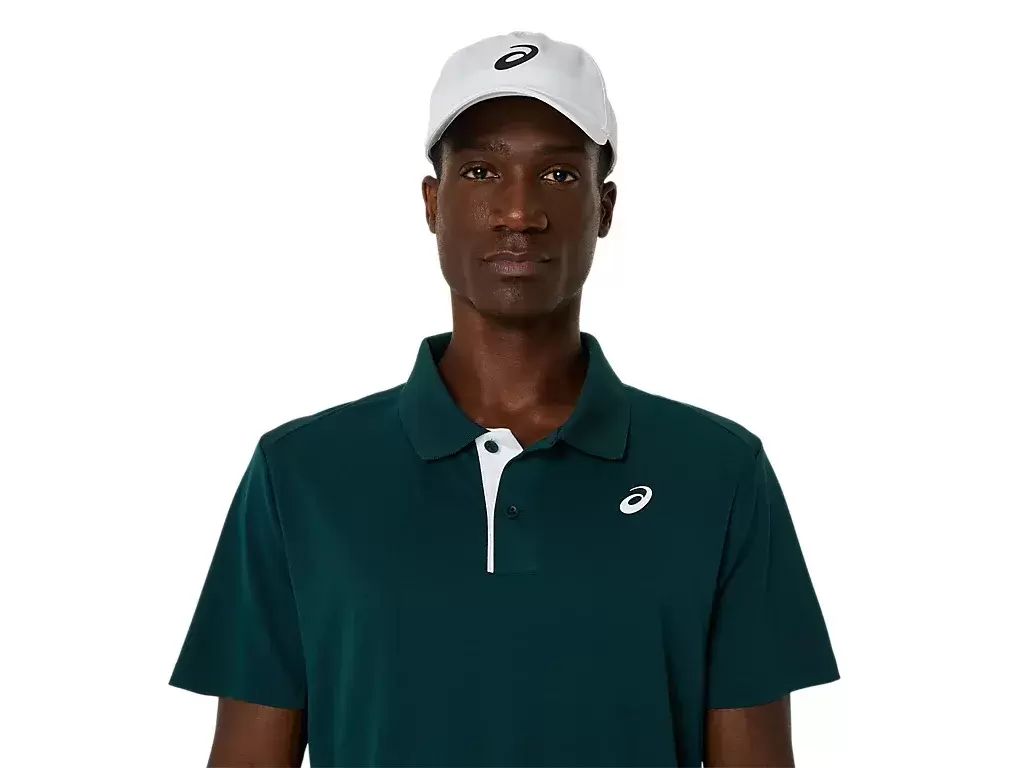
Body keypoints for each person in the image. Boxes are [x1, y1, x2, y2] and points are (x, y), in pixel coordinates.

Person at [168, 30, 839, 767]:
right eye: (482, 170)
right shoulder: (301, 475)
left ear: (604, 206)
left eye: (558, 174)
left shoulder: (717, 474)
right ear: (433, 202)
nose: (518, 212)